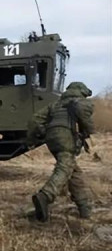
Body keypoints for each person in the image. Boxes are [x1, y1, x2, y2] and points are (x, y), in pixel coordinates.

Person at [27, 81, 95, 221]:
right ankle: (46, 195)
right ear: (82, 91)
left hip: (51, 139)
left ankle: (84, 208)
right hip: (66, 138)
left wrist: (39, 134)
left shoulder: (55, 104)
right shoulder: (82, 103)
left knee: (73, 171)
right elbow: (86, 121)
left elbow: (34, 120)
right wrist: (89, 132)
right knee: (64, 169)